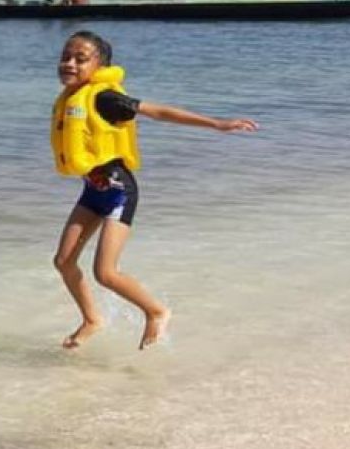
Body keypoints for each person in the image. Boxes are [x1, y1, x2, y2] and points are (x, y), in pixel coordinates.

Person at [50, 31, 258, 350]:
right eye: (66, 56)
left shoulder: (105, 99)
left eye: (81, 58)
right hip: (93, 191)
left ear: (100, 65)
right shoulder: (72, 100)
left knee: (104, 273)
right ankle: (92, 320)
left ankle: (156, 311)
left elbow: (158, 111)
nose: (70, 63)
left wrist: (217, 124)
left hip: (119, 192)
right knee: (64, 262)